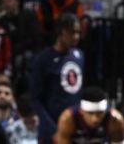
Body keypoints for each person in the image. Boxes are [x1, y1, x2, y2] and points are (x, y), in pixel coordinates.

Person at [28, 12, 84, 143]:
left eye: (78, 33)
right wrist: (52, 129)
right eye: (72, 32)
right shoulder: (43, 59)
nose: (76, 37)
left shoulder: (80, 56)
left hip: (75, 128)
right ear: (61, 31)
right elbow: (35, 98)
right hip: (51, 130)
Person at [54, 86, 124, 144]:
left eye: (100, 113)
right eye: (90, 113)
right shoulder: (68, 119)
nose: (95, 119)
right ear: (81, 111)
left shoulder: (115, 119)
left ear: (105, 111)